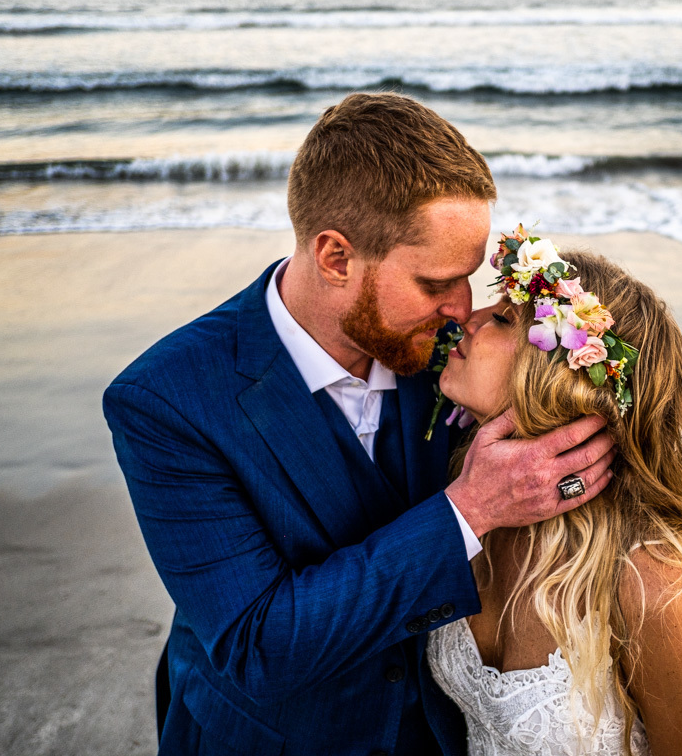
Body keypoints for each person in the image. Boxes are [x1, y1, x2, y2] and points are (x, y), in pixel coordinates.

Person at [102, 93, 616, 756]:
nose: (462, 310)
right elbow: (259, 648)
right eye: (435, 283)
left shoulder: (453, 360)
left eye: (468, 277)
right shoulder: (168, 401)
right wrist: (467, 512)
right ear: (336, 257)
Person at [428, 230, 682, 756]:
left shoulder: (648, 582)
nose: (466, 319)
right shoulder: (468, 503)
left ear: (557, 372)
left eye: (501, 319)